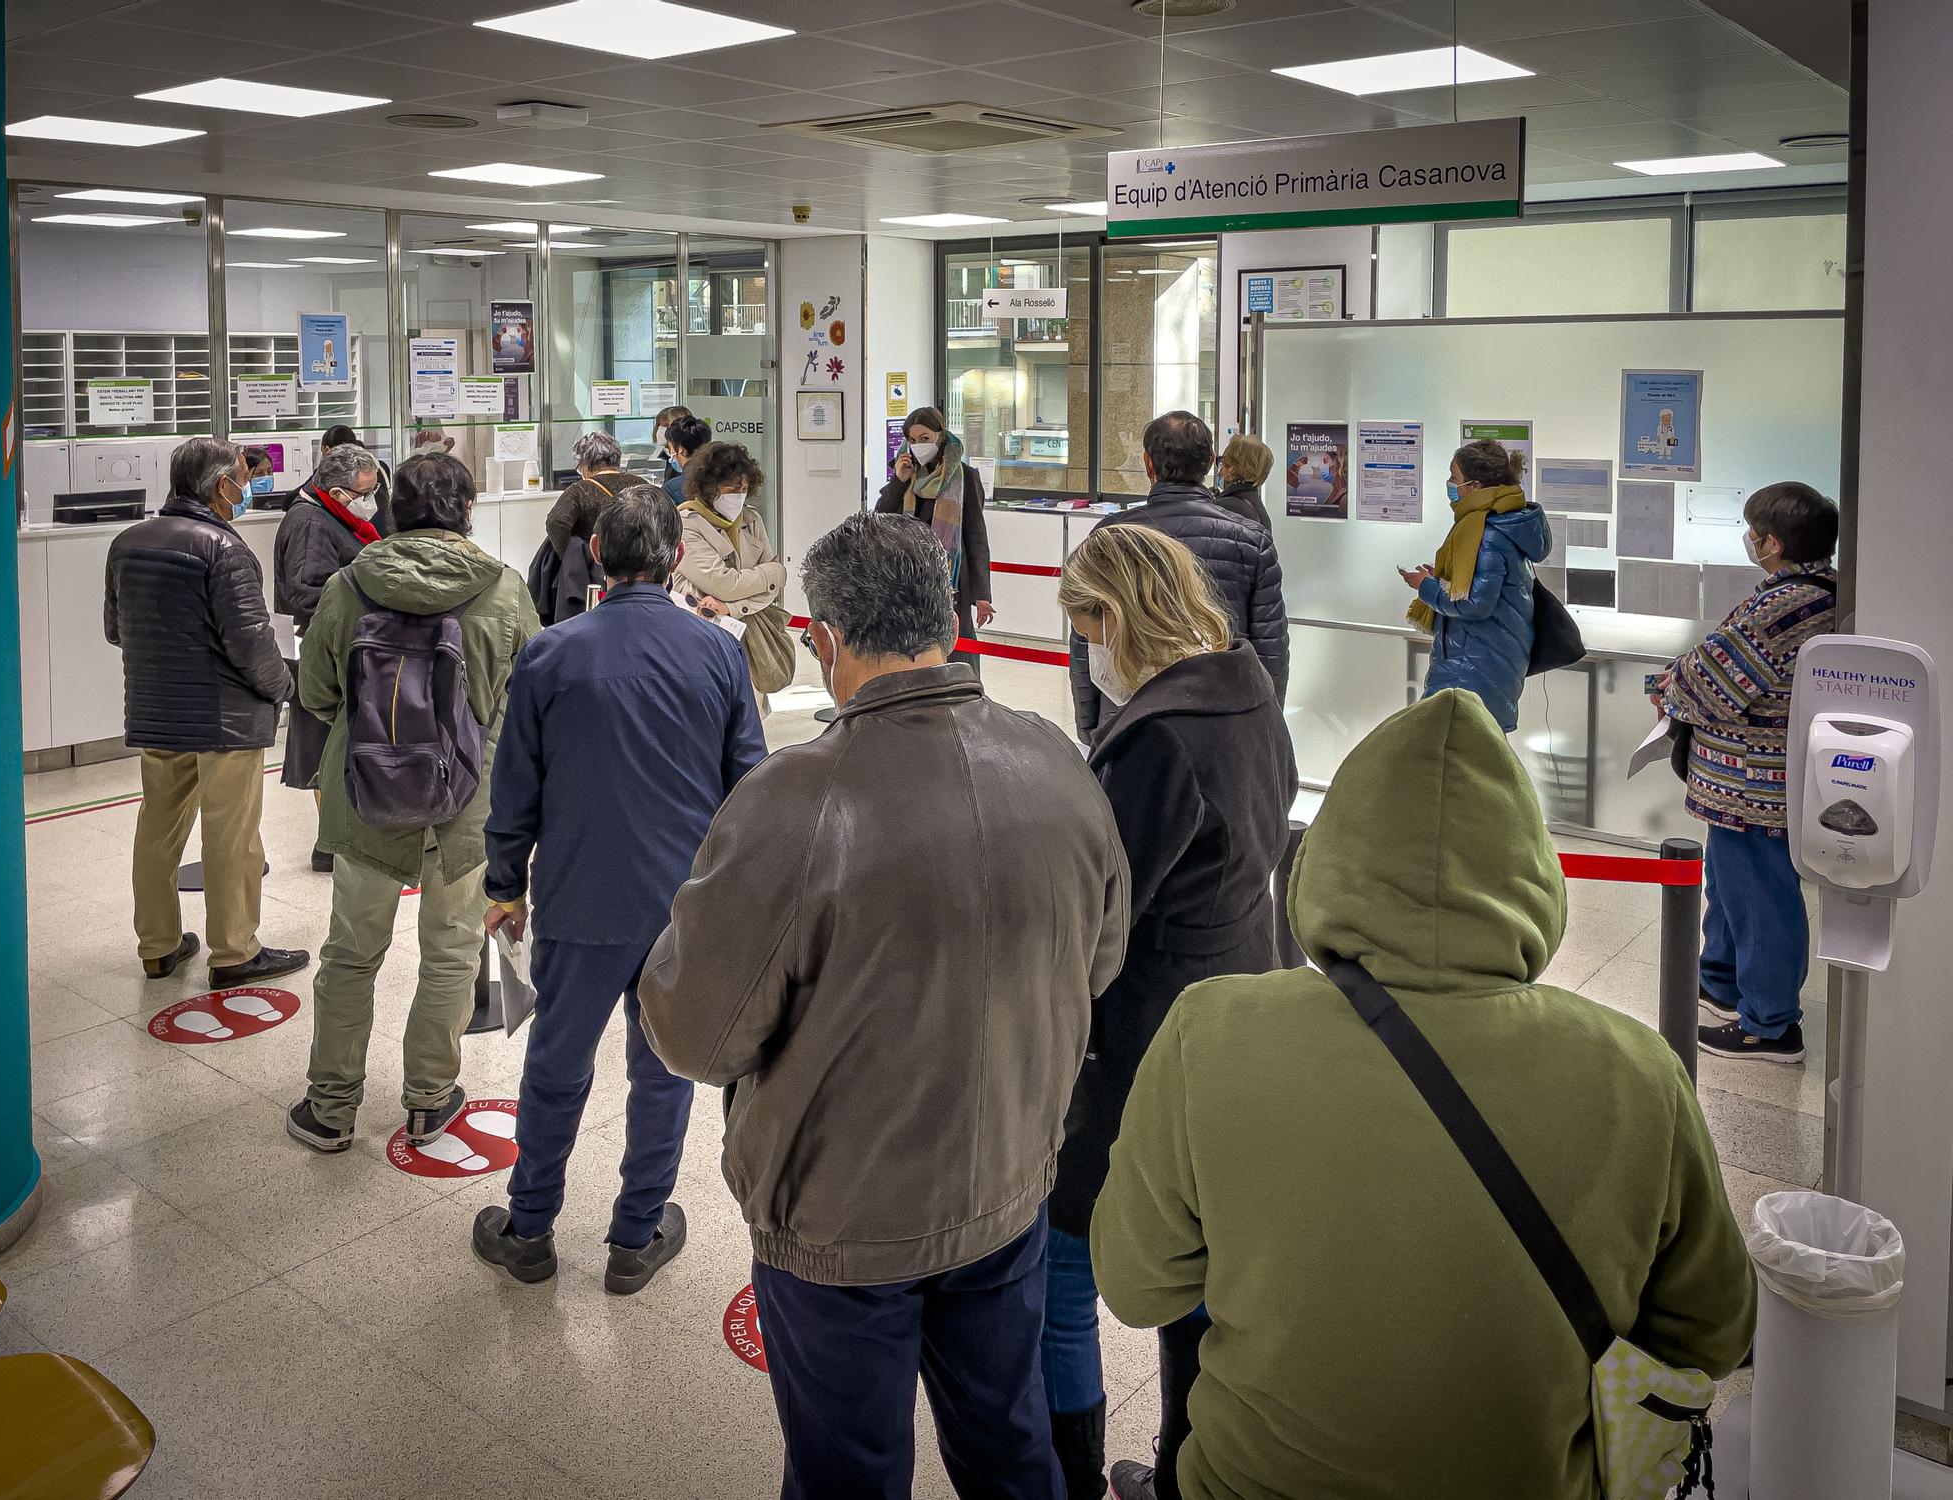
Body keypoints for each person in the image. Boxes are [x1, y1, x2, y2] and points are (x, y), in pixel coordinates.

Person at [1091, 689, 1758, 1500]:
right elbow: (1714, 1330)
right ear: (1533, 875)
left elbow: (1134, 1284)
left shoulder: (1212, 1031)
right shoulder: (1638, 1074)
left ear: (1328, 857)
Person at [639, 512, 1130, 1500]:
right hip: (1007, 1186)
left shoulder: (790, 800)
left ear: (821, 639)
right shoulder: (1059, 764)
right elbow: (1100, 960)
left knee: (847, 1471)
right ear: (949, 617)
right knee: (1007, 1443)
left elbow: (694, 1034)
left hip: (841, 1223)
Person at [1045, 524, 1297, 1499]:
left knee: (1062, 1270)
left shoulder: (1154, 740)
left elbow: (1103, 909)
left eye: (1082, 628)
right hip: (1237, 994)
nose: (1083, 652)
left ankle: (1065, 1478)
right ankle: (1183, 1471)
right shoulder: (1244, 693)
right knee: (1196, 1271)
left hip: (1140, 1034)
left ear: (1113, 616)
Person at [471, 487, 766, 1291]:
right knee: (663, 1069)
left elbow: (516, 787)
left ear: (596, 555)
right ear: (675, 558)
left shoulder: (552, 653)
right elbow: (751, 786)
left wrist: (505, 883)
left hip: (579, 901)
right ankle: (637, 1236)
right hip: (683, 909)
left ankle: (528, 1228)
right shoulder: (717, 653)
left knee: (556, 1065)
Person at [287, 453, 540, 1155]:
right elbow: (533, 700)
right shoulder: (503, 590)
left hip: (365, 798)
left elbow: (314, 694)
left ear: (394, 509)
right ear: (466, 510)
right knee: (452, 950)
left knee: (350, 954)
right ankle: (430, 1099)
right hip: (464, 806)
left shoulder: (348, 585)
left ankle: (331, 1108)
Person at [103, 437, 305, 987]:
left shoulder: (128, 543)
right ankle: (235, 951)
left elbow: (115, 629)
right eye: (244, 477)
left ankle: (158, 946)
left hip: (155, 710)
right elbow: (250, 643)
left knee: (158, 829)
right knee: (231, 835)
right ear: (222, 485)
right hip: (225, 719)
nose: (248, 486)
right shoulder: (223, 549)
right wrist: (284, 688)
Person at [1651, 482, 1840, 1064]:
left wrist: (1668, 685)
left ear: (1772, 544)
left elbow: (1710, 681)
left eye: (1753, 530)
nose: (1749, 539)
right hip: (1748, 785)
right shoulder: (1823, 590)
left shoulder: (1784, 606)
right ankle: (1722, 982)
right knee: (1732, 890)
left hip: (1752, 787)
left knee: (1759, 900)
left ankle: (1771, 1024)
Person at [1070, 411, 1286, 743]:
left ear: (1147, 464)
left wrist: (1088, 724)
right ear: (1211, 464)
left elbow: (1086, 638)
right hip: (1220, 715)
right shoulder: (1251, 540)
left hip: (1127, 716)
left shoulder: (1110, 536)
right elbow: (1270, 645)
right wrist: (1265, 721)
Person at [272, 443, 382, 873]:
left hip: (345, 640)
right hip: (325, 645)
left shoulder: (335, 516)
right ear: (337, 493)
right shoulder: (310, 524)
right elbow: (306, 590)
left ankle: (339, 835)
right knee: (325, 743)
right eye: (365, 492)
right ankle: (331, 840)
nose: (371, 501)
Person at [1402, 438, 1552, 733]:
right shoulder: (1504, 524)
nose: (1449, 484)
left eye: (1454, 478)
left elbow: (1475, 604)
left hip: (1470, 669)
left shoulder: (1486, 534)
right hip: (1486, 664)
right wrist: (1444, 580)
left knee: (1458, 759)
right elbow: (1482, 588)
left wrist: (1427, 587)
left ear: (1475, 486)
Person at [875, 405, 996, 664]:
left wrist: (982, 594)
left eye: (925, 439)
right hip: (908, 579)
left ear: (940, 436)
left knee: (956, 648)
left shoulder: (964, 476)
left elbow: (976, 536)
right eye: (912, 440)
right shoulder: (905, 473)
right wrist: (899, 481)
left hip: (949, 581)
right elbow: (881, 519)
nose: (918, 445)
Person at [670, 441, 787, 707]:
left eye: (744, 488)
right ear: (710, 486)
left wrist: (731, 607)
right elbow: (725, 583)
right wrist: (772, 572)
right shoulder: (686, 524)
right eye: (732, 487)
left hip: (746, 634)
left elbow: (772, 589)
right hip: (702, 636)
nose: (739, 495)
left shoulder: (751, 519)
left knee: (751, 714)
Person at [544, 431, 630, 559]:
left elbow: (556, 522)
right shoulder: (642, 485)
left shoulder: (580, 490)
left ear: (585, 464)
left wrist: (576, 557)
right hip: (640, 566)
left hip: (596, 569)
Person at [321, 423, 392, 536]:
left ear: (327, 450)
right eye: (363, 493)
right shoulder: (381, 467)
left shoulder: (375, 468)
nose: (369, 500)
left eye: (370, 492)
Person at [1212, 433, 1272, 535]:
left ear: (1232, 469)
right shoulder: (1259, 510)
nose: (1220, 470)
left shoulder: (1225, 508)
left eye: (1223, 462)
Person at [660, 413, 712, 504]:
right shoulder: (724, 480)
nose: (670, 453)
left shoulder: (672, 489)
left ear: (680, 449)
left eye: (670, 448)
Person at [650, 403, 693, 486]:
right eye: (659, 425)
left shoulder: (687, 458)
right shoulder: (665, 456)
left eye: (666, 425)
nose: (660, 429)